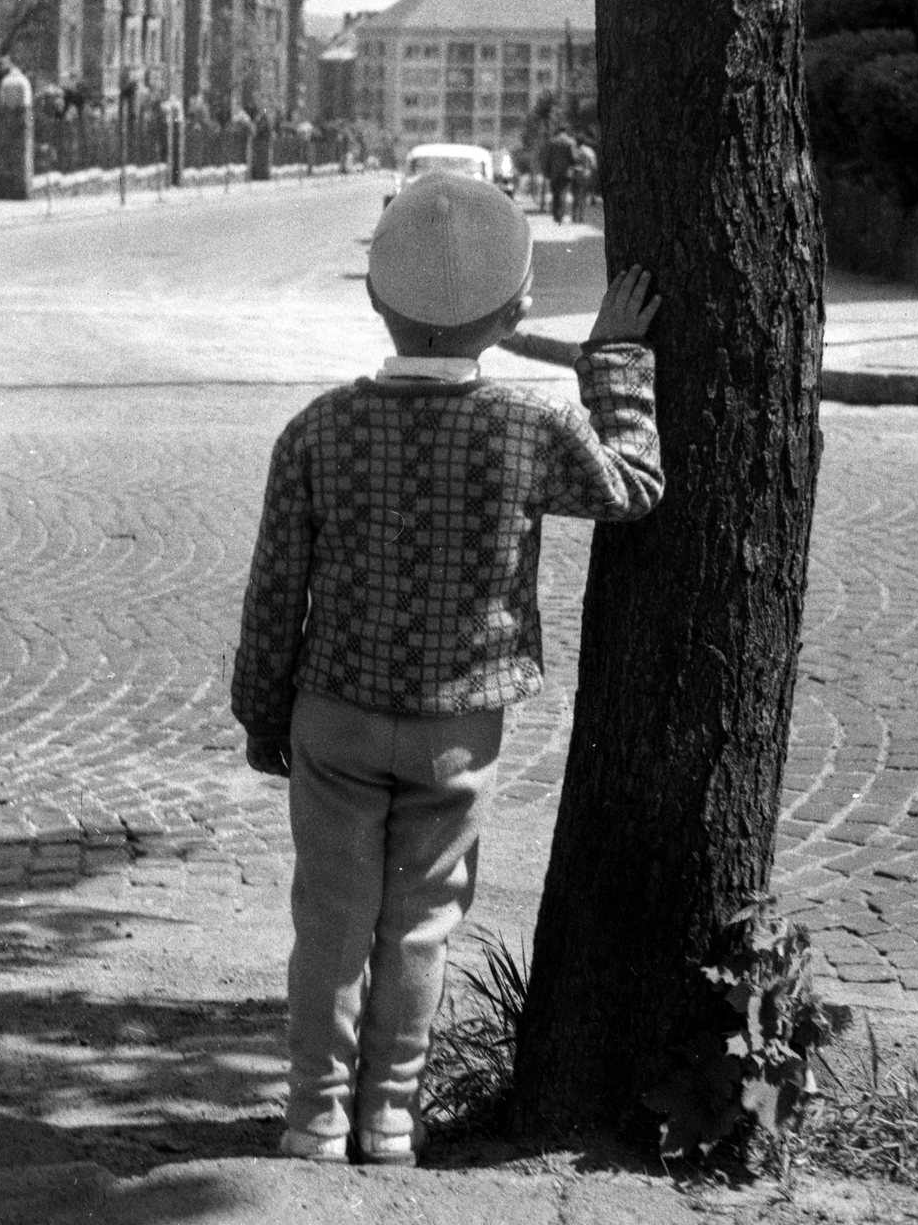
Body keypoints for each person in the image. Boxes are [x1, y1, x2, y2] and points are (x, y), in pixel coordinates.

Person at [230, 174, 663, 1167]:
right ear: (514, 315)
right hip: (456, 723)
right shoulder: (527, 427)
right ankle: (389, 1119)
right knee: (421, 922)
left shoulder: (316, 429)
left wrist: (263, 717)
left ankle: (314, 1115)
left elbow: (272, 597)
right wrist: (618, 360)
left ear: (375, 299)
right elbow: (632, 485)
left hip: (333, 713)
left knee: (330, 922)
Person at [541, 128, 578, 223]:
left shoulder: (552, 142)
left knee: (555, 194)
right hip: (566, 173)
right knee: (563, 193)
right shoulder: (571, 142)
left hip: (554, 172)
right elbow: (573, 158)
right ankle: (561, 214)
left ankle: (555, 215)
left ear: (558, 132)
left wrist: (547, 171)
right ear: (566, 132)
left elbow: (548, 158)